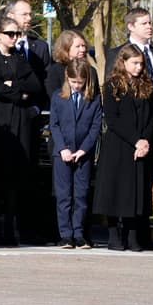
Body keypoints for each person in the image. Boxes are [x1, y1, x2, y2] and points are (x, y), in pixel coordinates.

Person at [105, 7, 153, 250]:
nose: (150, 26)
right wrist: (135, 139)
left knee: (143, 185)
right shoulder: (115, 56)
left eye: (151, 22)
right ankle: (119, 235)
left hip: (149, 135)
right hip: (123, 139)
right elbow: (113, 109)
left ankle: (141, 235)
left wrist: (147, 137)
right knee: (121, 185)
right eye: (144, 22)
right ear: (131, 26)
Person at [0, 16, 43, 245]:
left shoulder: (18, 57)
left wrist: (11, 86)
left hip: (19, 120)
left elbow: (34, 86)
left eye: (17, 34)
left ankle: (10, 228)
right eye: (10, 34)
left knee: (16, 176)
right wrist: (16, 90)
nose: (14, 38)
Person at [93, 44, 153, 252]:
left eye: (141, 63)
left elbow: (152, 117)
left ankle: (132, 236)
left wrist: (144, 141)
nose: (138, 67)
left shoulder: (147, 86)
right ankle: (114, 235)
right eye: (134, 63)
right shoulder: (112, 85)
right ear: (124, 62)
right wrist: (135, 140)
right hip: (118, 144)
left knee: (135, 192)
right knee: (115, 189)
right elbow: (113, 118)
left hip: (140, 146)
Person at [48, 58, 102, 249]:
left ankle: (79, 233)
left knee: (81, 194)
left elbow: (95, 127)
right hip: (62, 153)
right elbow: (53, 124)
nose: (77, 86)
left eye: (80, 82)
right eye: (73, 82)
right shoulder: (58, 96)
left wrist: (83, 150)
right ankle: (65, 234)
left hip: (82, 155)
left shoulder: (94, 98)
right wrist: (62, 148)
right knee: (64, 196)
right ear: (67, 78)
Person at [45, 29, 93, 98]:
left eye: (83, 45)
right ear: (66, 47)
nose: (83, 49)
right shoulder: (55, 71)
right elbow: (54, 98)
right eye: (78, 46)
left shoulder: (91, 70)